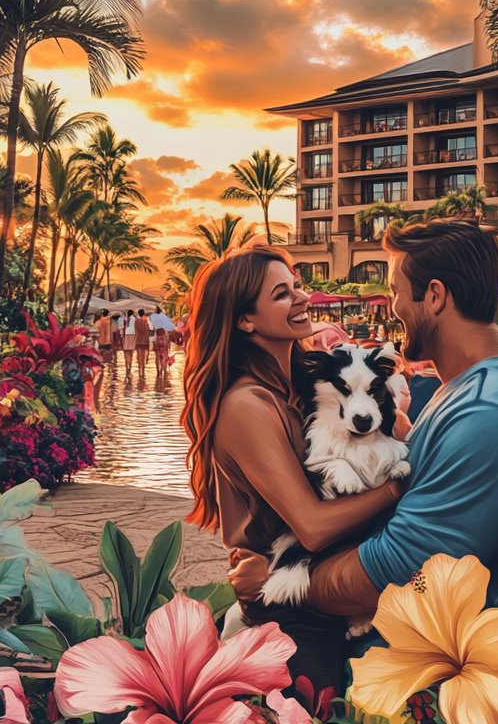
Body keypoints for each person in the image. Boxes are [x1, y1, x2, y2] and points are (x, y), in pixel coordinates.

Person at [229, 219, 498, 633]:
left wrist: (282, 582)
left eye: (396, 292)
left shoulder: (491, 412)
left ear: (435, 296)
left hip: (466, 665)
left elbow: (397, 572)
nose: (394, 307)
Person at [182, 246, 403, 692]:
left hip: (329, 587)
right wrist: (396, 487)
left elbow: (396, 432)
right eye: (282, 294)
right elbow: (313, 527)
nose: (301, 298)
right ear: (245, 320)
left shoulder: (306, 386)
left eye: (297, 285)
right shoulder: (247, 404)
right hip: (289, 612)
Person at [149, 305, 175, 378]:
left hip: (156, 338)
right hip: (164, 338)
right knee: (165, 355)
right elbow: (171, 326)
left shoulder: (152, 317)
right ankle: (164, 369)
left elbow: (150, 327)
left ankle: (158, 372)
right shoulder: (164, 317)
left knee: (157, 356)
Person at [133, 308, 151, 381]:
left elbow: (135, 331)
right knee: (143, 356)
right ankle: (142, 371)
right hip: (143, 341)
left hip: (137, 340)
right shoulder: (145, 322)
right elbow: (147, 332)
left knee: (138, 355)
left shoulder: (135, 321)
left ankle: (139, 368)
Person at [121, 308, 137, 379]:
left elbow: (124, 329)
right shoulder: (134, 319)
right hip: (132, 336)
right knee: (131, 352)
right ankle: (129, 367)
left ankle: (127, 366)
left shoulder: (127, 320)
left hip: (127, 336)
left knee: (126, 352)